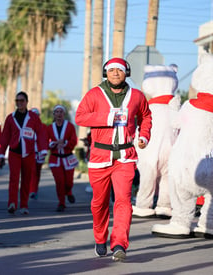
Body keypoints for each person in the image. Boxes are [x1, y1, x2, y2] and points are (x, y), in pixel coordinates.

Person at [75, 57, 152, 262]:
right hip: (100, 157)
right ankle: (100, 238)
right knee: (99, 204)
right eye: (111, 70)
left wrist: (143, 136)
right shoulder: (94, 94)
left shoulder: (136, 96)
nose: (115, 73)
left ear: (126, 72)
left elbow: (146, 116)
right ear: (105, 73)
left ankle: (119, 243)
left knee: (123, 201)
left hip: (125, 157)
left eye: (119, 70)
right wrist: (107, 118)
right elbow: (80, 117)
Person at [0, 91, 47, 215]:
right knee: (14, 179)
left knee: (26, 179)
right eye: (17, 101)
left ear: (26, 102)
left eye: (22, 101)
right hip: (14, 152)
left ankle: (24, 205)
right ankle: (12, 203)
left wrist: (42, 149)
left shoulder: (33, 117)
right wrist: (1, 153)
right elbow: (5, 136)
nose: (19, 103)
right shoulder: (11, 117)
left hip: (29, 154)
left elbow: (41, 133)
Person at [47, 105, 78, 211]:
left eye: (61, 112)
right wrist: (53, 144)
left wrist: (65, 143)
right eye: (57, 112)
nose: (59, 114)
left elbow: (74, 140)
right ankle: (61, 203)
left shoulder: (70, 126)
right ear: (54, 114)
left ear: (64, 114)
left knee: (69, 182)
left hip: (68, 158)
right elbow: (46, 141)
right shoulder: (50, 128)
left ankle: (68, 192)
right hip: (55, 159)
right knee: (60, 182)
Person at [29, 107, 47, 200]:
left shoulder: (43, 126)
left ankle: (34, 189)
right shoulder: (27, 126)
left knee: (37, 171)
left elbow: (44, 139)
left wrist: (44, 150)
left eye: (36, 115)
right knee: (32, 171)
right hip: (30, 152)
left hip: (40, 152)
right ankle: (31, 190)